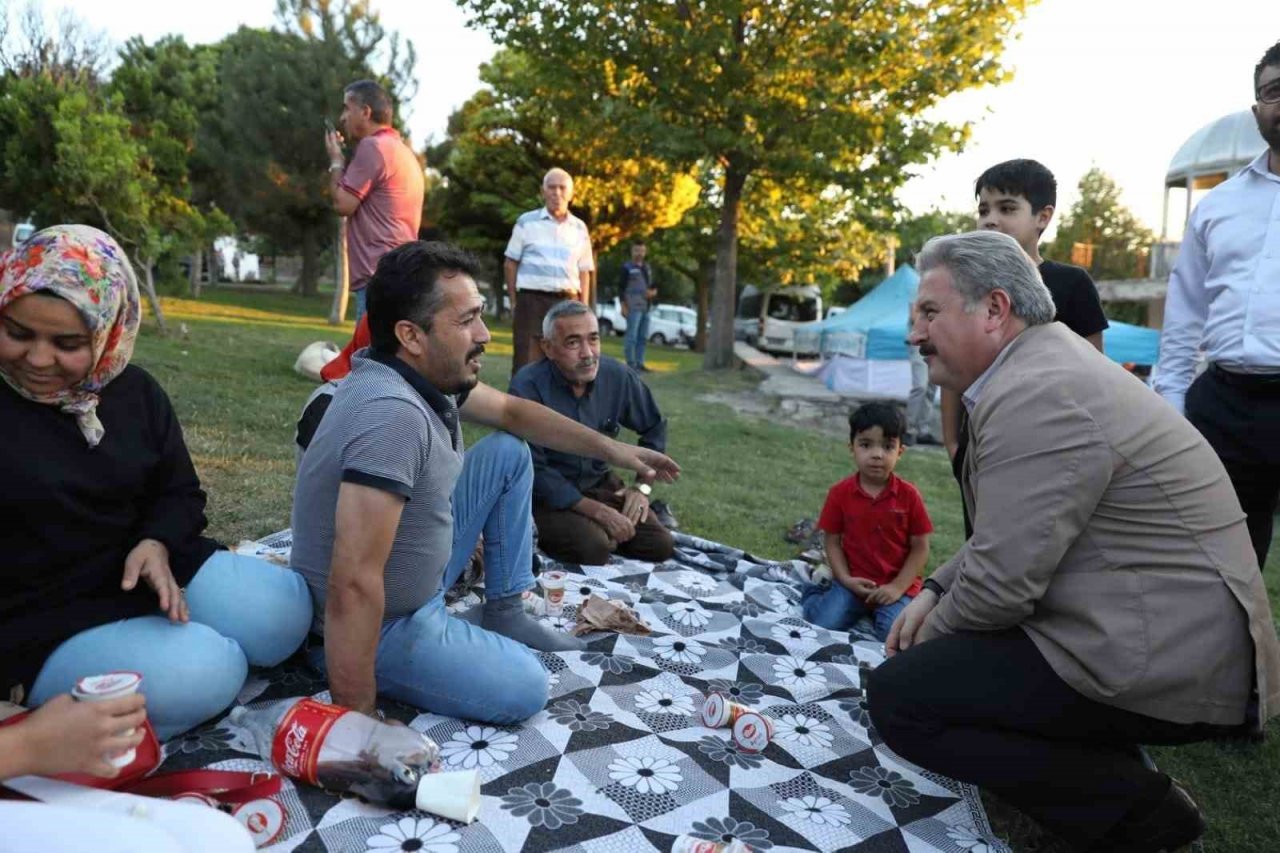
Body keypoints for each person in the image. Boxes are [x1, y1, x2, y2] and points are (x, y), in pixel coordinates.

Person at [867, 231, 1280, 853]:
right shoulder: (1040, 367)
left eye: (929, 312)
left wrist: (929, 636)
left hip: (1166, 654)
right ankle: (1112, 763)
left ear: (995, 309)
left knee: (905, 697)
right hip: (1148, 628)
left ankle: (1139, 815)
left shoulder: (1040, 391)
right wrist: (939, 588)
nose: (914, 334)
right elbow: (1012, 536)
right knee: (944, 666)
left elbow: (1003, 588)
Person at [290, 242, 679, 724]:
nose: (485, 334)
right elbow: (353, 581)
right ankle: (375, 654)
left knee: (507, 451)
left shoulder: (413, 374)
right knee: (525, 686)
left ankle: (505, 608)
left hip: (413, 578)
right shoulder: (391, 415)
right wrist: (359, 718)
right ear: (411, 335)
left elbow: (514, 413)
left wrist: (616, 451)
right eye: (467, 320)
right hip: (379, 624)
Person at [0, 226, 313, 739]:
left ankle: (160, 644)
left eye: (67, 343)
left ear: (107, 331)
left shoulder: (132, 393)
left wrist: (157, 541)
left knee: (285, 613)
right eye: (18, 333)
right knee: (210, 670)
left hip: (151, 573)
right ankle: (50, 699)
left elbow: (180, 492)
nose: (37, 359)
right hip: (42, 619)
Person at [1154, 42, 1280, 571]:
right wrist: (1172, 405)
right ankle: (1231, 656)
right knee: (1219, 561)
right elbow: (1183, 316)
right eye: (1273, 92)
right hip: (1223, 405)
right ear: (1257, 111)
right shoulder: (1218, 205)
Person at [941, 158, 1109, 536]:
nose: (990, 220)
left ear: (1043, 216)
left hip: (1052, 447)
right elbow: (951, 372)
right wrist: (955, 446)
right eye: (983, 209)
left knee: (1042, 549)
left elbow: (1096, 377)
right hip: (982, 448)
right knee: (986, 546)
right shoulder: (963, 284)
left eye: (1007, 208)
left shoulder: (1072, 285)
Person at [508, 301, 675, 566]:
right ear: (548, 348)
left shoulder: (617, 376)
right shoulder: (527, 386)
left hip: (600, 484)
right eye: (573, 343)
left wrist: (641, 489)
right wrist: (595, 511)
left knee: (660, 545)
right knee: (594, 547)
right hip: (546, 498)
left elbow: (654, 426)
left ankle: (607, 530)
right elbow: (534, 468)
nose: (588, 353)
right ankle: (597, 532)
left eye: (593, 339)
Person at [799, 402, 932, 642]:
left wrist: (897, 588)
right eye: (866, 445)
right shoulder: (840, 493)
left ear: (900, 451)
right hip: (853, 582)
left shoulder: (909, 496)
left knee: (898, 635)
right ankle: (815, 592)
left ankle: (879, 611)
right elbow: (833, 542)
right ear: (852, 447)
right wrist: (845, 579)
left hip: (896, 587)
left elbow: (920, 548)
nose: (877, 454)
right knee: (823, 624)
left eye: (888, 446)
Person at [325, 80, 425, 323]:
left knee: (372, 358)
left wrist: (336, 160)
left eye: (347, 108)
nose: (343, 117)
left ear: (366, 112)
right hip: (399, 272)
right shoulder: (402, 151)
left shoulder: (373, 147)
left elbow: (342, 204)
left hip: (376, 275)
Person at [505, 168, 595, 373]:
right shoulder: (526, 222)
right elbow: (510, 263)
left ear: (571, 194)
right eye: (551, 187)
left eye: (562, 188)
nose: (557, 192)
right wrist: (513, 301)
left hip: (567, 301)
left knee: (566, 360)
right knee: (526, 361)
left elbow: (584, 271)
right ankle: (523, 403)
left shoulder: (580, 228)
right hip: (531, 301)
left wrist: (584, 308)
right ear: (543, 191)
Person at [619, 241, 657, 371]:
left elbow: (653, 286)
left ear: (645, 252)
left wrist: (653, 292)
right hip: (632, 306)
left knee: (643, 337)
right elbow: (620, 288)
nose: (639, 254)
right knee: (632, 337)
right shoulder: (627, 268)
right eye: (637, 250)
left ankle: (640, 363)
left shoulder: (647, 268)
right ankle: (631, 364)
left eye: (642, 251)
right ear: (632, 251)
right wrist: (623, 305)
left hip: (646, 307)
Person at [904, 302, 937, 445]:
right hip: (919, 343)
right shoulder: (920, 292)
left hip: (936, 342)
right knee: (920, 386)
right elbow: (913, 316)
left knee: (931, 389)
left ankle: (924, 431)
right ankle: (908, 429)